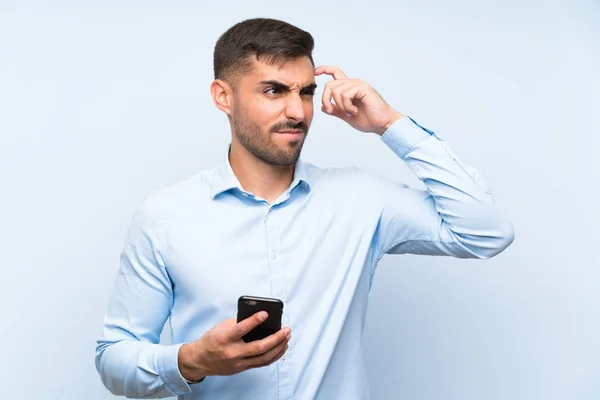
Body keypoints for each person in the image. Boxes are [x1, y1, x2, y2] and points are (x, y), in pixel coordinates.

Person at [95, 17, 514, 400]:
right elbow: (114, 359)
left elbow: (485, 231)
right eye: (274, 90)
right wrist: (191, 361)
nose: (297, 112)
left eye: (306, 92)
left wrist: (390, 124)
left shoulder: (361, 200)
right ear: (224, 97)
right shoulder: (167, 216)